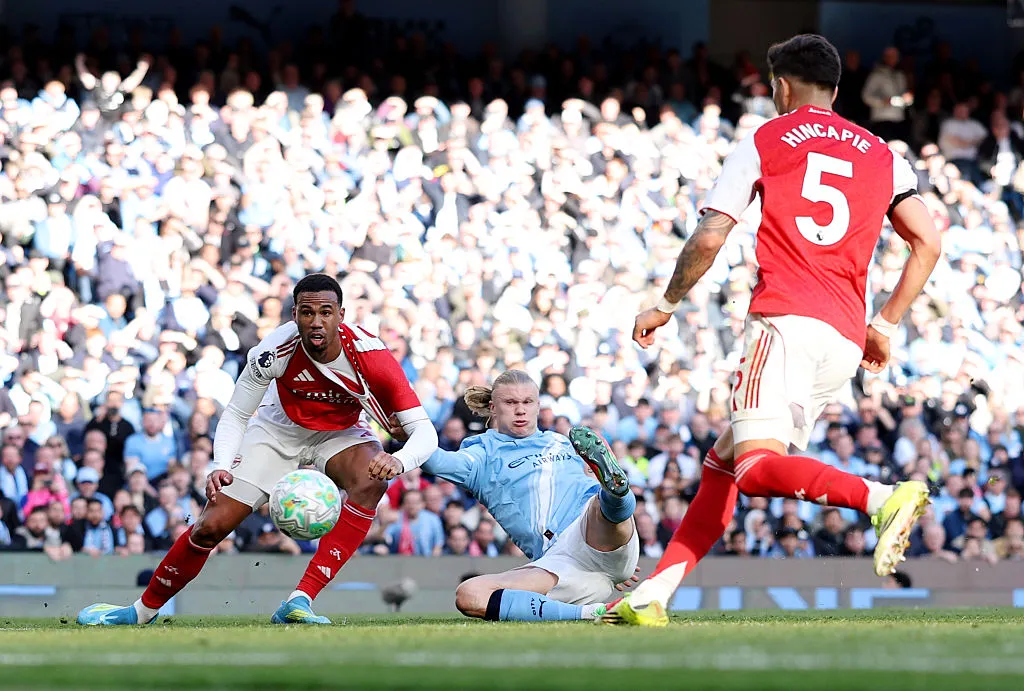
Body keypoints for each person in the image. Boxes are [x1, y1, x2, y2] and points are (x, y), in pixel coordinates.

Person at [613, 34, 941, 626]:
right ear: (837, 90)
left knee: (757, 471)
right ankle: (653, 594)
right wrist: (885, 324)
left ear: (780, 87)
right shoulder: (886, 155)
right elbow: (929, 241)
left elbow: (712, 234)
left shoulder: (763, 139)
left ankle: (881, 497)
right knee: (724, 465)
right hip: (842, 339)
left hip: (783, 322)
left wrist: (666, 303)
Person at [77, 273, 438, 626]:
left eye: (325, 312)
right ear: (294, 315)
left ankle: (300, 600)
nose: (316, 322)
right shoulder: (273, 351)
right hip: (276, 432)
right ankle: (140, 612)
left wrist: (399, 460)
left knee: (371, 480)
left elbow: (425, 432)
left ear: (340, 316)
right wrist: (219, 464)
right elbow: (236, 413)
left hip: (340, 433)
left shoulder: (371, 356)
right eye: (307, 312)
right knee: (210, 527)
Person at [416, 369, 639, 622]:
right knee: (470, 594)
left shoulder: (561, 441)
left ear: (537, 405)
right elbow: (435, 461)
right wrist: (409, 433)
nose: (520, 410)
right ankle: (595, 612)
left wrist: (615, 556)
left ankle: (617, 495)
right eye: (510, 403)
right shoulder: (482, 454)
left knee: (600, 502)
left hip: (594, 528)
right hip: (560, 563)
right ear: (493, 407)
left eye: (527, 402)